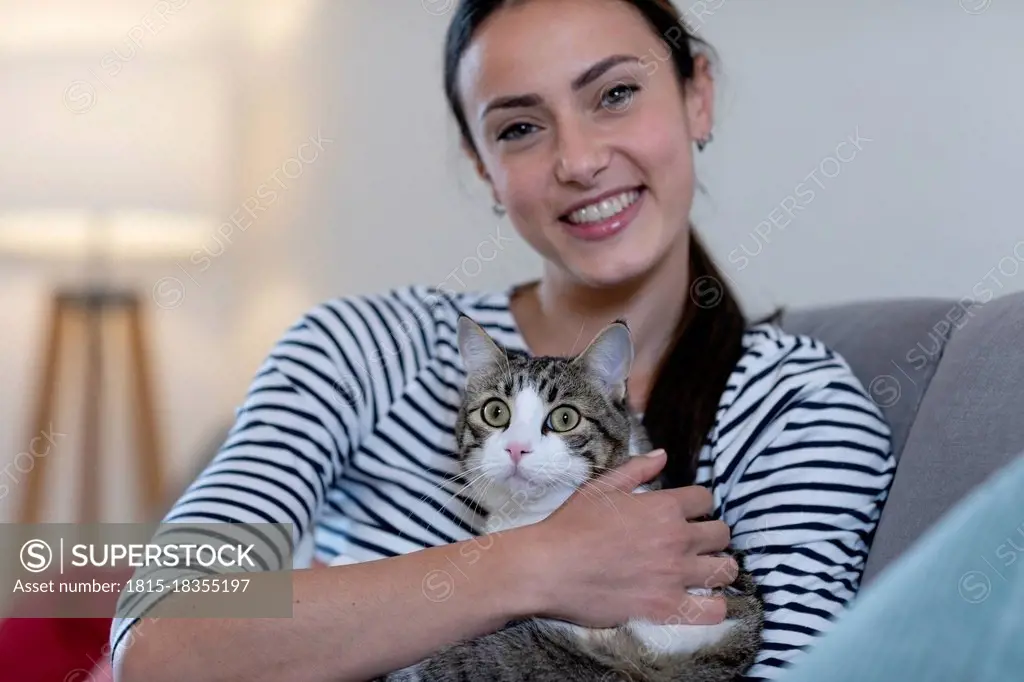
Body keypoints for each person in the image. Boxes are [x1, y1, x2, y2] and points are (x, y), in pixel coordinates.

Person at [110, 1, 896, 680]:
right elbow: (161, 640)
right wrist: (532, 565)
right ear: (483, 168)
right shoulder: (362, 347)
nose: (580, 161)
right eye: (520, 127)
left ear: (698, 96)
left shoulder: (795, 408)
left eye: (616, 94)